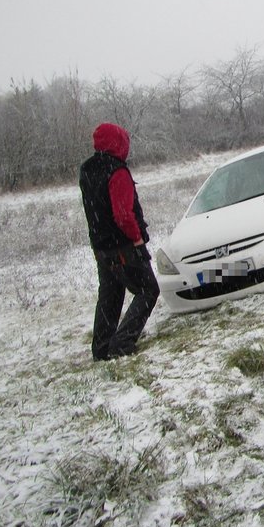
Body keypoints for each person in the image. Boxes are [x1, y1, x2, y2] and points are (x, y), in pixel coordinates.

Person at [79, 123, 159, 360]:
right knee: (148, 290)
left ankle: (101, 347)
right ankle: (122, 343)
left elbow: (95, 208)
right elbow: (123, 214)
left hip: (101, 247)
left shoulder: (87, 169)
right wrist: (136, 238)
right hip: (123, 246)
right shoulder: (117, 172)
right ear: (118, 143)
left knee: (110, 296)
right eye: (124, 142)